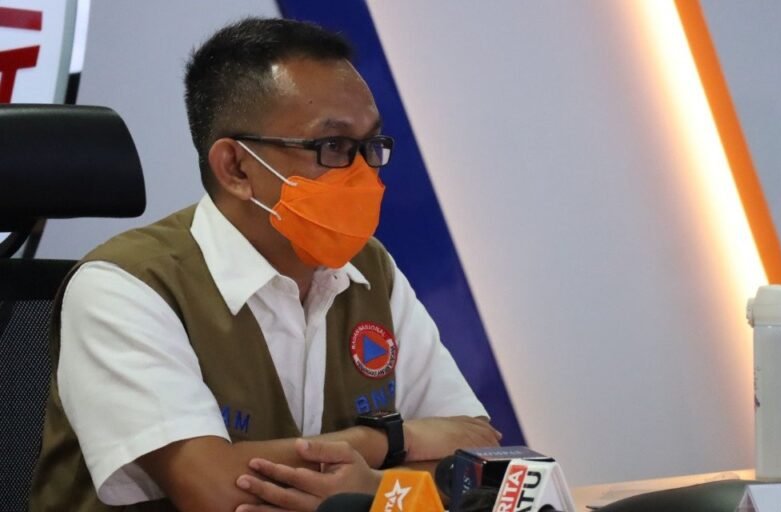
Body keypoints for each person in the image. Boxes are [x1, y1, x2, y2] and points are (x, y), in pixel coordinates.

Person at [30, 17, 500, 511]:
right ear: (235, 167)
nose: (363, 174)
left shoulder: (369, 269)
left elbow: (477, 452)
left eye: (371, 147)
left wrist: (372, 479)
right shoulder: (123, 286)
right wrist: (387, 447)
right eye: (333, 147)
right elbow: (213, 491)